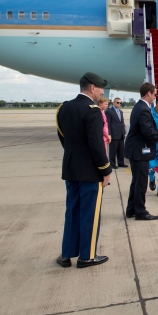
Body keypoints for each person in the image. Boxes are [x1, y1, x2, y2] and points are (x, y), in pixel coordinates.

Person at [55, 72, 112, 268]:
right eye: (101, 88)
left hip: (71, 168)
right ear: (92, 88)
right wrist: (105, 169)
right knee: (89, 213)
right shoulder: (92, 111)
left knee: (72, 211)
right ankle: (86, 256)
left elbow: (63, 137)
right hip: (90, 172)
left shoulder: (64, 108)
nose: (102, 92)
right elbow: (96, 145)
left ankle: (66, 254)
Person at [125, 83, 158, 220]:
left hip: (135, 150)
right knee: (140, 183)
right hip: (139, 151)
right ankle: (140, 211)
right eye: (155, 94)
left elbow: (146, 128)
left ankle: (131, 209)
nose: (155, 96)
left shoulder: (140, 106)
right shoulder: (144, 109)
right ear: (148, 94)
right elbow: (147, 132)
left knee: (136, 181)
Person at [106, 97, 127, 168]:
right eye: (117, 102)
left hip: (121, 134)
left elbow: (122, 123)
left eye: (120, 103)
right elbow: (108, 124)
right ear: (113, 103)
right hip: (114, 134)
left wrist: (124, 132)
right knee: (113, 150)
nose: (119, 104)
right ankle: (112, 164)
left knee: (121, 150)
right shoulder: (109, 111)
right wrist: (109, 134)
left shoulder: (120, 112)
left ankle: (121, 163)